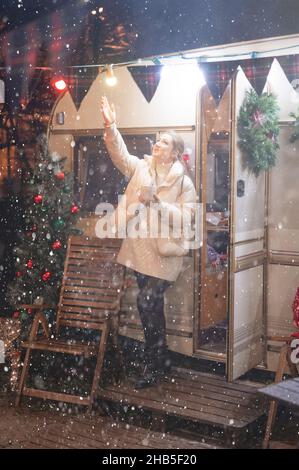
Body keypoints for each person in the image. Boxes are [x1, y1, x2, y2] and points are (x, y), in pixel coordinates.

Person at [98, 96, 197, 389]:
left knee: (147, 301)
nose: (157, 144)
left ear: (175, 152)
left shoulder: (183, 183)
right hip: (141, 251)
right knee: (151, 308)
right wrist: (110, 125)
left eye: (164, 142)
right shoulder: (140, 168)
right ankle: (162, 360)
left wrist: (156, 203)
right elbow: (119, 154)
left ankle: (152, 366)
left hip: (165, 255)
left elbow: (187, 218)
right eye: (157, 140)